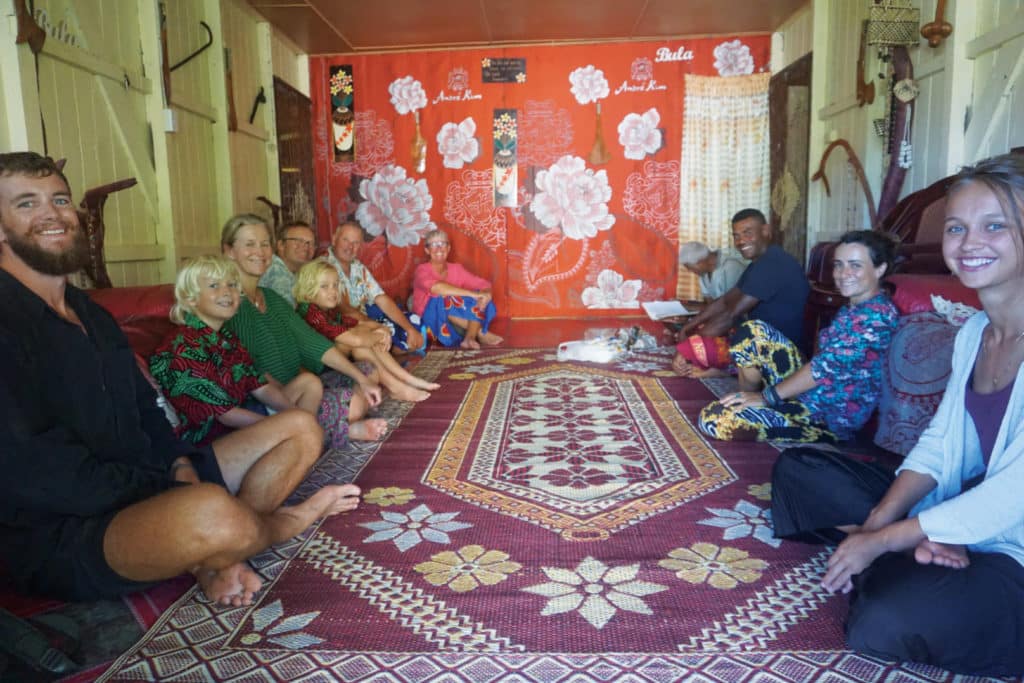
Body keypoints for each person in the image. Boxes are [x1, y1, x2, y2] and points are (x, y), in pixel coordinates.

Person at [0, 151, 360, 608]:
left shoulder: (91, 314)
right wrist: (171, 492)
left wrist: (178, 465)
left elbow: (147, 409)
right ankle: (284, 523)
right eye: (26, 203)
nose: (52, 214)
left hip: (149, 478)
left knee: (301, 428)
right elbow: (43, 474)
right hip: (69, 527)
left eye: (60, 199)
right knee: (211, 512)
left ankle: (219, 551)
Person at [770, 154, 1024, 676]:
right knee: (798, 470)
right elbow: (940, 444)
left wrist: (886, 540)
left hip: (1014, 544)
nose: (970, 243)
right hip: (957, 508)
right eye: (957, 227)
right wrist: (885, 523)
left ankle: (916, 559)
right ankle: (921, 552)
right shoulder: (975, 334)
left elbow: (1012, 497)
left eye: (995, 226)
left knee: (883, 620)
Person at [699, 230, 898, 444]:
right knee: (751, 332)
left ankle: (764, 412)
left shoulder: (875, 318)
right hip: (811, 396)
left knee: (714, 419)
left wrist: (766, 397)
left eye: (855, 265)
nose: (843, 273)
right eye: (838, 265)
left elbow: (821, 368)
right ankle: (745, 401)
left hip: (827, 418)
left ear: (879, 269)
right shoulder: (854, 308)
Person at [220, 214, 388, 447]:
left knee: (367, 372)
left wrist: (361, 379)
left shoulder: (271, 298)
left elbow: (313, 343)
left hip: (303, 388)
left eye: (264, 244)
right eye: (250, 244)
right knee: (355, 404)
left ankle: (323, 426)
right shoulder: (226, 304)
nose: (259, 251)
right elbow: (249, 372)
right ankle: (334, 430)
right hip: (267, 399)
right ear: (229, 250)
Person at [150, 255, 324, 445]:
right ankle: (302, 442)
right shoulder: (183, 347)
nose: (227, 292)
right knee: (299, 424)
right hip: (213, 439)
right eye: (214, 285)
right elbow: (226, 416)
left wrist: (296, 416)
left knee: (309, 385)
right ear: (190, 298)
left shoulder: (226, 337)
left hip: (245, 415)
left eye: (232, 285)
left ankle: (304, 440)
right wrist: (285, 426)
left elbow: (260, 387)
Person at [675, 209, 810, 378]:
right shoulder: (760, 263)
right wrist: (688, 328)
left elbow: (731, 315)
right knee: (707, 341)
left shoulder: (774, 263)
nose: (740, 241)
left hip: (785, 354)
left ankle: (728, 371)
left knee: (706, 346)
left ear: (765, 230)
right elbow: (724, 301)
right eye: (736, 236)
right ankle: (730, 369)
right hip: (762, 343)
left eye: (748, 233)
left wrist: (687, 347)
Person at [293, 259, 440, 400]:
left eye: (335, 285)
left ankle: (407, 380)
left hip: (332, 362)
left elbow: (356, 323)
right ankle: (397, 388)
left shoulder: (327, 310)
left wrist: (381, 328)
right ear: (307, 290)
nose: (333, 291)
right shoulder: (311, 313)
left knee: (363, 336)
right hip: (317, 371)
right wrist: (380, 335)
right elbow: (355, 340)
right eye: (324, 286)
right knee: (359, 344)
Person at [325, 220, 425, 353]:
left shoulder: (358, 268)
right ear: (334, 239)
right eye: (345, 240)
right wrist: (378, 327)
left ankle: (397, 345)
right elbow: (344, 310)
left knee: (411, 324)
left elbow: (381, 298)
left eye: (356, 243)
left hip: (364, 321)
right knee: (387, 337)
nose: (350, 247)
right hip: (344, 326)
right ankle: (393, 348)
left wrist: (409, 329)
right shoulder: (324, 267)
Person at [412, 229, 503, 349]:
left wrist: (486, 295)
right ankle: (480, 332)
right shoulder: (422, 270)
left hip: (457, 323)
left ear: (448, 248)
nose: (439, 248)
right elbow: (436, 288)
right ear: (427, 250)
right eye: (433, 245)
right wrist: (473, 294)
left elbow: (484, 284)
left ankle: (469, 338)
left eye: (442, 243)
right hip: (432, 321)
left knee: (480, 294)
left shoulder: (456, 269)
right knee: (442, 297)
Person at [258, 220, 317, 306]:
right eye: (298, 241)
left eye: (311, 243)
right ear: (281, 245)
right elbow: (287, 312)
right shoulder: (276, 271)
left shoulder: (298, 273)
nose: (306, 247)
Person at [678, 240, 748, 301]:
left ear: (700, 262)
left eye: (689, 268)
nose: (689, 271)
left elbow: (731, 305)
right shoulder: (703, 273)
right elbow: (710, 303)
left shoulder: (731, 267)